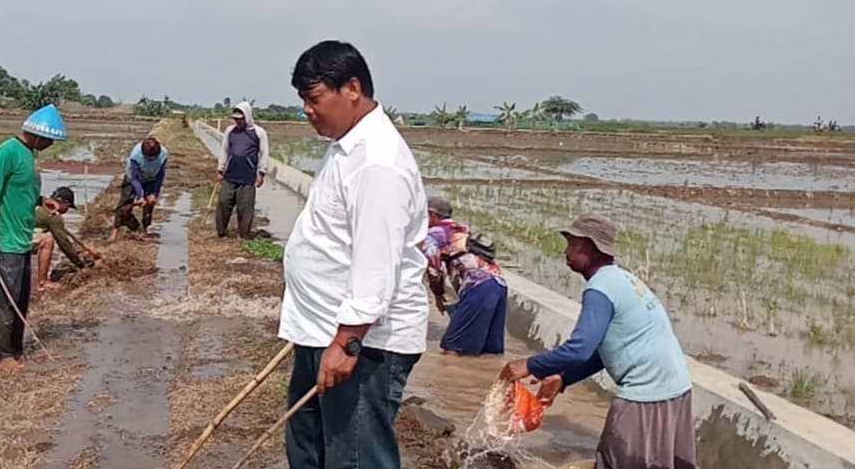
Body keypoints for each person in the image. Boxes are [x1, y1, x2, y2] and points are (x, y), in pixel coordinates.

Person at [278, 40, 428, 469]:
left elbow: (375, 260)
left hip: (362, 345)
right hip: (320, 329)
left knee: (356, 459)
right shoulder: (346, 147)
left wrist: (347, 341)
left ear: (353, 89)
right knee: (309, 449)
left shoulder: (377, 161)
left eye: (314, 98)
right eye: (303, 100)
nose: (307, 110)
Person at [500, 213, 694, 469]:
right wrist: (564, 378)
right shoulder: (622, 279)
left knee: (614, 462)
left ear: (591, 248)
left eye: (572, 244)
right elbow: (605, 350)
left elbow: (579, 349)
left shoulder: (600, 289)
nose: (566, 252)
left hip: (646, 395)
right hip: (676, 390)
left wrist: (529, 365)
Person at [0, 104, 67, 371]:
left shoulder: (29, 156)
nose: (52, 144)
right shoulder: (7, 152)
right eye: (50, 139)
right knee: (4, 298)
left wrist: (44, 201)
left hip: (22, 238)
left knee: (20, 297)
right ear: (39, 135)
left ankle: (15, 348)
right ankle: (2, 354)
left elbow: (21, 192)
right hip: (4, 240)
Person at [421, 197, 507, 356]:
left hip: (479, 287)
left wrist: (438, 295)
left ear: (432, 215)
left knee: (453, 348)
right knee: (489, 351)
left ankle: (445, 379)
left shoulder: (433, 234)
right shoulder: (461, 230)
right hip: (499, 283)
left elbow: (433, 267)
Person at [215, 101, 270, 239]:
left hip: (247, 177)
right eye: (236, 119)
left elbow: (264, 154)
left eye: (241, 119)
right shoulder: (230, 131)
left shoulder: (258, 133)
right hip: (230, 175)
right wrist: (220, 170)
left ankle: (244, 234)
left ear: (247, 116)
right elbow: (224, 150)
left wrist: (261, 173)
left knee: (245, 207)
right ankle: (222, 232)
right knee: (223, 202)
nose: (238, 122)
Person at [110, 136, 168, 242]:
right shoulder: (136, 155)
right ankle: (115, 231)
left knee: (149, 205)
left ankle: (144, 230)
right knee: (124, 204)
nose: (151, 160)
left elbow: (160, 175)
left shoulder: (164, 154)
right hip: (133, 178)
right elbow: (135, 178)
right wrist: (140, 196)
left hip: (151, 178)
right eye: (148, 158)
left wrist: (154, 193)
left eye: (154, 158)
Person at [33, 186, 90, 291]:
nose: (67, 211)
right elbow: (64, 244)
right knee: (48, 241)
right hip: (20, 239)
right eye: (67, 207)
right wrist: (80, 265)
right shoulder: (54, 216)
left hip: (14, 233)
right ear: (63, 203)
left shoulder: (41, 205)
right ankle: (42, 282)